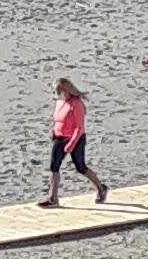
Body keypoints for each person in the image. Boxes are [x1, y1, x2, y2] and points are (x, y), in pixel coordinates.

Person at [40, 77, 107, 208]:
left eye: (59, 91)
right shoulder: (60, 103)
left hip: (76, 138)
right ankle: (53, 197)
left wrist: (71, 143)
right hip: (59, 138)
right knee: (54, 167)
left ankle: (100, 187)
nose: (58, 94)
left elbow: (79, 127)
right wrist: (55, 133)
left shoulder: (77, 104)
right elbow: (58, 121)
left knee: (80, 167)